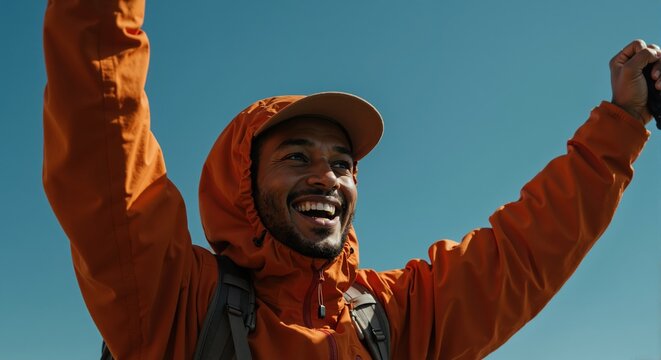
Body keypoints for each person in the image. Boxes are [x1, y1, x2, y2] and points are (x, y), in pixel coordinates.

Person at [42, 0, 659, 359]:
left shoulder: (391, 315)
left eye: (342, 164)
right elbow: (102, 122)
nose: (327, 179)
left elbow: (524, 252)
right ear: (241, 183)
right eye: (296, 158)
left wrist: (624, 121)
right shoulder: (172, 302)